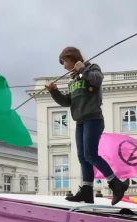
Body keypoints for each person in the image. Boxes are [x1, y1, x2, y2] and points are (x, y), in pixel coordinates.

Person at [45, 47, 128, 205]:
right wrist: (54, 92)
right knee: (83, 157)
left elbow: (97, 80)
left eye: (65, 62)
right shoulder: (73, 80)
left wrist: (83, 69)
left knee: (90, 154)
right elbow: (67, 102)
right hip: (81, 121)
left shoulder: (91, 68)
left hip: (93, 119)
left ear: (72, 58)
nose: (64, 67)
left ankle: (116, 184)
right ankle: (87, 191)